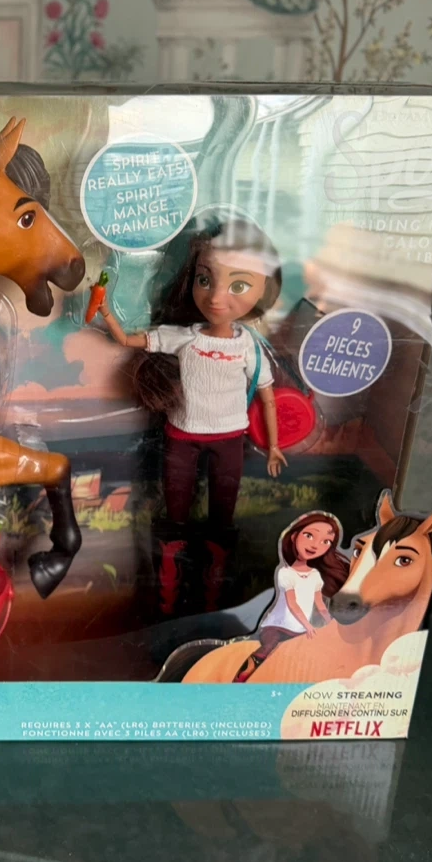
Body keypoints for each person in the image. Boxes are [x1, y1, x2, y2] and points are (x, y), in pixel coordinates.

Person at [95, 214, 286, 613]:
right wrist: (105, 311)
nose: (216, 297)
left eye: (238, 285)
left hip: (230, 439)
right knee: (175, 518)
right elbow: (128, 339)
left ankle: (214, 598)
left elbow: (268, 398)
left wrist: (274, 446)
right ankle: (168, 597)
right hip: (182, 436)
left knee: (222, 520)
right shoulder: (183, 338)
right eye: (205, 279)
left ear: (265, 288)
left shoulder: (248, 347)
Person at [234, 511, 349, 681]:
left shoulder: (315, 575)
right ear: (294, 536)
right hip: (277, 626)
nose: (315, 545)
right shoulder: (286, 573)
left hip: (300, 630)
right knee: (268, 647)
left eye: (326, 542)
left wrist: (330, 623)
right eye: (309, 535)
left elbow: (319, 603)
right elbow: (292, 603)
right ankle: (238, 680)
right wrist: (308, 625)